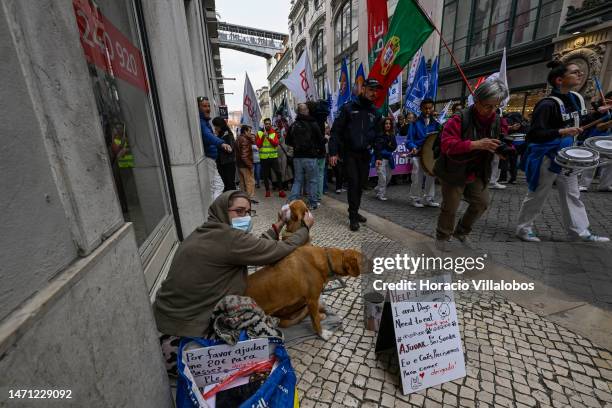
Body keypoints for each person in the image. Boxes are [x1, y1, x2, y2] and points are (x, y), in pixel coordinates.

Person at [153, 191, 313, 371]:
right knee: (268, 341)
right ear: (223, 210)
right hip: (183, 335)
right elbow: (279, 249)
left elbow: (256, 247)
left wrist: (281, 223)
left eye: (248, 212)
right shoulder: (230, 239)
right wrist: (304, 229)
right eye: (239, 211)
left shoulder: (208, 230)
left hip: (164, 322)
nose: (244, 217)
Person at [515, 61, 610, 242]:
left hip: (569, 156)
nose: (580, 73)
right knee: (537, 194)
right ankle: (523, 229)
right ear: (560, 80)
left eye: (579, 71)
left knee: (572, 194)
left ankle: (580, 232)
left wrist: (598, 113)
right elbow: (534, 134)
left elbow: (580, 120)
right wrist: (561, 131)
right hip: (547, 156)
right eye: (575, 72)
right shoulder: (547, 104)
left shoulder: (575, 98)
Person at [433, 79, 509, 249]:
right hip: (454, 169)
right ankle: (443, 236)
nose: (492, 110)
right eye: (488, 106)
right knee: (450, 207)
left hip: (478, 170)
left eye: (496, 106)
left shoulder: (496, 119)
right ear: (477, 101)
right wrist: (476, 144)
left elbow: (498, 140)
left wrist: (500, 150)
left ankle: (461, 232)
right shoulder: (458, 119)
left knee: (481, 203)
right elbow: (447, 146)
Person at [329, 78, 383, 231]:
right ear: (363, 89)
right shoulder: (348, 108)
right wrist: (333, 152)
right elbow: (336, 131)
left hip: (365, 154)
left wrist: (378, 156)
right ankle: (353, 217)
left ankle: (355, 211)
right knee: (353, 183)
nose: (374, 93)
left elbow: (379, 136)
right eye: (371, 89)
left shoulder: (376, 112)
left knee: (360, 185)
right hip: (349, 153)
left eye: (376, 90)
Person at [406, 98, 442, 208]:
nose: (427, 110)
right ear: (421, 108)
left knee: (431, 176)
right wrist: (413, 147)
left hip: (430, 155)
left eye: (430, 108)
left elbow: (439, 138)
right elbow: (409, 140)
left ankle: (429, 198)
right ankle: (415, 198)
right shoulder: (414, 123)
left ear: (433, 108)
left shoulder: (436, 123)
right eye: (425, 108)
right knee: (417, 177)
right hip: (417, 154)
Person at [287, 103, 323, 209]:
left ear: (298, 112)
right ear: (307, 110)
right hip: (311, 157)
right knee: (312, 180)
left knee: (298, 180)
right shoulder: (313, 123)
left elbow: (287, 141)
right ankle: (312, 203)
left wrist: (296, 145)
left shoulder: (293, 125)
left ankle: (292, 202)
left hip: (297, 157)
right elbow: (320, 140)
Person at [198, 96, 232, 200]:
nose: (208, 108)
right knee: (217, 186)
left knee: (218, 186)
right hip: (209, 159)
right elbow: (208, 136)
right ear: (198, 108)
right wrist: (222, 143)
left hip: (212, 160)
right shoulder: (202, 123)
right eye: (204, 106)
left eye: (208, 106)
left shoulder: (205, 122)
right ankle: (215, 210)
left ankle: (215, 210)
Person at [256, 118, 286, 198]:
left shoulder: (273, 132)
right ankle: (267, 191)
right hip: (264, 158)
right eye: (266, 124)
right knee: (265, 175)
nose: (268, 125)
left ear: (271, 124)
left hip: (273, 157)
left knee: (278, 173)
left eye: (269, 123)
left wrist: (268, 137)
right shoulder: (259, 133)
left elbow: (275, 144)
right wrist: (263, 137)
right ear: (264, 125)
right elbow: (258, 145)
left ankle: (281, 190)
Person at [498, 111, 528, 184]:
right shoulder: (523, 122)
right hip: (521, 143)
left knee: (505, 160)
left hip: (510, 143)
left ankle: (503, 178)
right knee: (514, 162)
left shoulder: (508, 120)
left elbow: (505, 131)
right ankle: (513, 178)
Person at [374, 117, 398, 201]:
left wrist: (387, 146)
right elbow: (378, 147)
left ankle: (378, 188)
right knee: (382, 178)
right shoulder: (379, 134)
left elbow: (394, 147)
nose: (388, 125)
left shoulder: (392, 135)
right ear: (383, 125)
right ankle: (380, 194)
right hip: (380, 159)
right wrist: (388, 146)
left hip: (389, 159)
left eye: (389, 124)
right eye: (386, 123)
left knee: (388, 178)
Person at [212, 116, 237, 192]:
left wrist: (219, 142)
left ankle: (231, 200)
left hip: (228, 163)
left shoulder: (227, 135)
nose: (215, 128)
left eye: (216, 126)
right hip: (222, 163)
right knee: (225, 185)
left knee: (229, 185)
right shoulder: (221, 134)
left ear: (221, 126)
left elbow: (230, 149)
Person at [235, 125, 258, 203]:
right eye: (249, 131)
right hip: (245, 165)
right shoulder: (245, 140)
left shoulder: (238, 138)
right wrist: (250, 166)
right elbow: (244, 156)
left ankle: (244, 197)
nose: (250, 133)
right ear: (245, 131)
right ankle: (250, 198)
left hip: (239, 165)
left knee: (242, 182)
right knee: (250, 182)